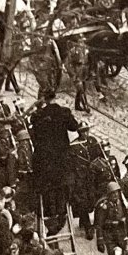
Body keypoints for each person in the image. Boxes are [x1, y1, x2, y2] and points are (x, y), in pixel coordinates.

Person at [30, 89, 79, 237]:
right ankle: (60, 215)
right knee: (61, 187)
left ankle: (50, 219)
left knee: (47, 189)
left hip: (45, 161)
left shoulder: (38, 116)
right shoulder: (63, 112)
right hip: (61, 160)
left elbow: (34, 131)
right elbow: (74, 126)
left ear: (42, 99)